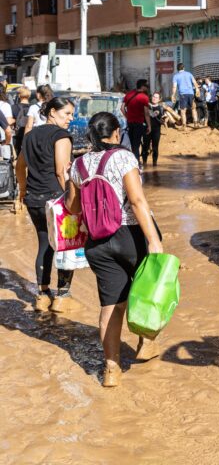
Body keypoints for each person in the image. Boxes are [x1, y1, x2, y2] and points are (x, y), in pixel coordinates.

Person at [66, 112, 163, 388]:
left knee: (111, 304)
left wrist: (68, 182)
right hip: (129, 236)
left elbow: (73, 208)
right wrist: (154, 240)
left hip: (97, 242)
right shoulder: (124, 157)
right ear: (117, 133)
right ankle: (146, 344)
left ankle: (110, 368)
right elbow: (136, 200)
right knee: (146, 291)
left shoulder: (79, 164)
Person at [15, 97, 77, 313]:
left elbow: (19, 165)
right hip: (57, 200)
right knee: (66, 245)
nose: (71, 118)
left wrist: (22, 191)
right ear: (52, 112)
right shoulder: (62, 136)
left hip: (34, 198)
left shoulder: (29, 135)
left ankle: (42, 295)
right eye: (67, 113)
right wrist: (72, 198)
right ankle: (62, 295)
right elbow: (62, 172)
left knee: (44, 243)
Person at [121, 79, 151, 161]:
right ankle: (136, 163)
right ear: (142, 87)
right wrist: (149, 126)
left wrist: (128, 117)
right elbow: (146, 113)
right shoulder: (144, 97)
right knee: (136, 145)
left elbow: (122, 108)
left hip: (130, 123)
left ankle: (132, 162)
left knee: (132, 144)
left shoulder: (129, 94)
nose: (147, 88)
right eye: (146, 86)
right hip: (139, 124)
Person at [171, 63, 200, 129]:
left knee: (183, 110)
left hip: (183, 94)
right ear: (183, 68)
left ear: (177, 69)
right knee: (193, 108)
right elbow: (195, 82)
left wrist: (173, 95)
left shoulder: (176, 76)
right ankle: (195, 124)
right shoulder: (189, 74)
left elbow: (174, 87)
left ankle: (184, 126)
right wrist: (197, 89)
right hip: (191, 93)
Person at [144, 92, 165, 167]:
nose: (154, 98)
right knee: (145, 147)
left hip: (156, 130)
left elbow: (155, 115)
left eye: (156, 97)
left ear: (159, 99)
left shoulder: (160, 108)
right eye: (153, 96)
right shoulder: (147, 106)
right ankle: (144, 163)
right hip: (146, 129)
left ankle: (154, 163)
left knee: (155, 147)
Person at [12, 86, 31, 155]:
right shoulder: (33, 108)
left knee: (17, 157)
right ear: (29, 95)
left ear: (19, 95)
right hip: (29, 136)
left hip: (17, 136)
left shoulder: (13, 107)